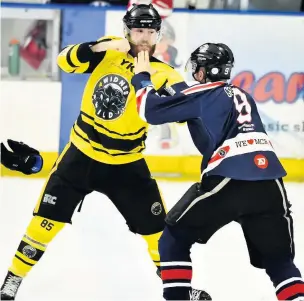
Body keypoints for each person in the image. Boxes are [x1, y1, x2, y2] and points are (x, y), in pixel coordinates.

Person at [0, 4, 211, 300]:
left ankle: (180, 288)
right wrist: (101, 44)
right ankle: (11, 282)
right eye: (139, 30)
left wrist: (150, 83)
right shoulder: (107, 54)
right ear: (127, 31)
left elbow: (184, 107)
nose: (145, 38)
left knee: (159, 234)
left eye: (151, 32)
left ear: (158, 35)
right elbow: (64, 61)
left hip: (127, 166)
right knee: (43, 223)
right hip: (80, 158)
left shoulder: (164, 73)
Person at [131, 45, 304, 300]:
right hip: (270, 184)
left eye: (197, 69)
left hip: (228, 179)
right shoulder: (243, 94)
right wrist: (173, 93)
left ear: (202, 71)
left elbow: (149, 109)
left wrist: (142, 78)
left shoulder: (201, 94)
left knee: (173, 239)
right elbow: (195, 104)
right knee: (279, 262)